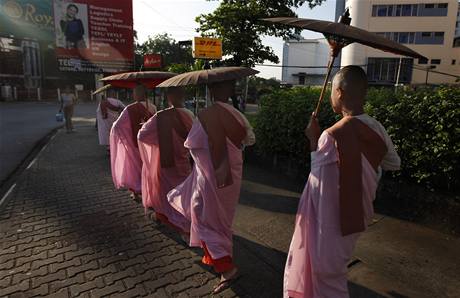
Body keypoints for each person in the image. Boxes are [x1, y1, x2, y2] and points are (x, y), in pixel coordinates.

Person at [283, 66, 401, 298]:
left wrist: (313, 139)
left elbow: (317, 181)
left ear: (338, 92)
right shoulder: (377, 129)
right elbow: (393, 163)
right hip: (360, 212)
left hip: (335, 218)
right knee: (335, 267)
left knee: (327, 274)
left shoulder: (332, 135)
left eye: (331, 92)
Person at [167, 79, 255, 294]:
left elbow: (192, 144)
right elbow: (249, 140)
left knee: (206, 219)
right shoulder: (237, 114)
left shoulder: (205, 115)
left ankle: (227, 268)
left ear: (212, 91)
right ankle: (222, 262)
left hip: (210, 176)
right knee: (220, 219)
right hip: (230, 175)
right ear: (230, 90)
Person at [138, 87, 195, 237]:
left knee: (166, 193)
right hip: (184, 161)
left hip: (166, 162)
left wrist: (157, 139)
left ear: (168, 96)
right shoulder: (190, 115)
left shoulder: (161, 116)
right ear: (183, 95)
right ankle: (186, 225)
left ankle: (173, 221)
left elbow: (142, 136)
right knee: (183, 195)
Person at [110, 84, 156, 201]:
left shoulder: (129, 108)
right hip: (148, 144)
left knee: (135, 168)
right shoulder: (153, 107)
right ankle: (148, 189)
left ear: (139, 94)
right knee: (147, 166)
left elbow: (118, 126)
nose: (133, 95)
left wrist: (126, 135)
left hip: (135, 143)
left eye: (135, 92)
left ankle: (136, 192)